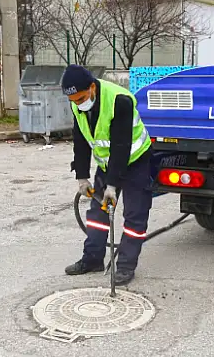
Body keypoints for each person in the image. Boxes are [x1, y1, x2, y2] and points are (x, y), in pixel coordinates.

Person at [61, 64, 153, 286]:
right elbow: (81, 139)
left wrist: (112, 185)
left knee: (134, 216)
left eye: (81, 98)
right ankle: (92, 259)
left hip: (135, 161)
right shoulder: (77, 103)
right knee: (98, 215)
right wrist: (82, 176)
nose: (78, 104)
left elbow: (121, 146)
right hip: (106, 163)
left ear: (92, 87)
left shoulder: (119, 101)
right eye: (73, 101)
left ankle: (125, 267)